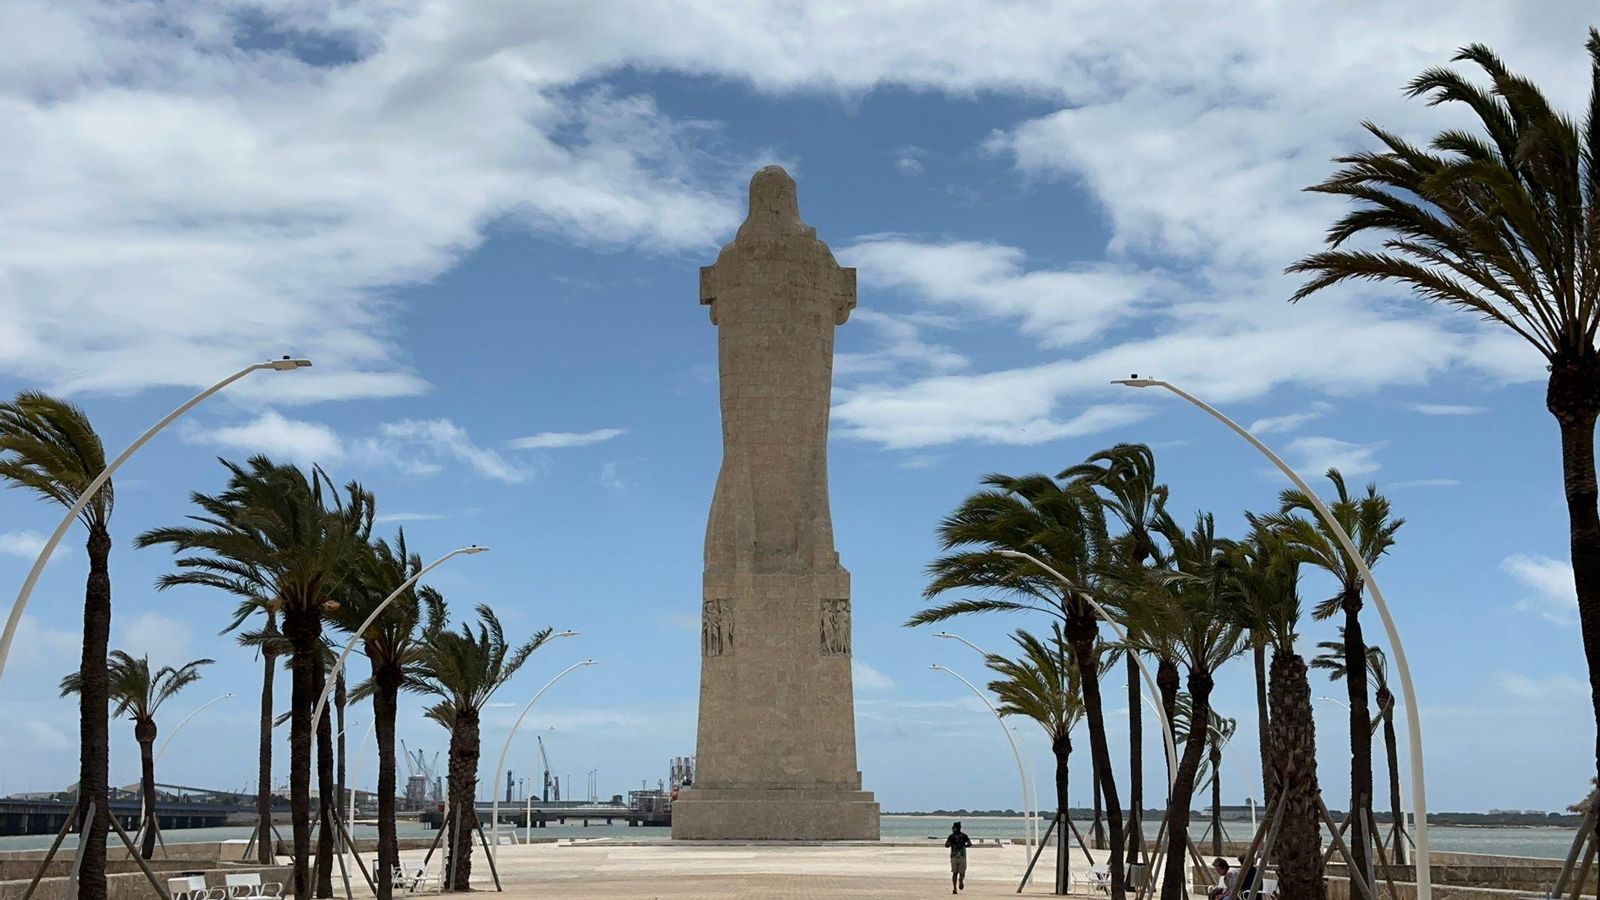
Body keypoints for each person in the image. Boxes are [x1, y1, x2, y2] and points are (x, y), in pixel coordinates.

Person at [945, 822, 972, 894]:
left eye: (953, 827)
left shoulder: (951, 836)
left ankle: (954, 888)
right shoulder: (964, 835)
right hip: (962, 856)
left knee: (954, 873)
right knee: (962, 872)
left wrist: (952, 844)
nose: (952, 828)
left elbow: (946, 845)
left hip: (954, 856)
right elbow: (970, 844)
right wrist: (964, 846)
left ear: (955, 828)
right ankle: (961, 880)